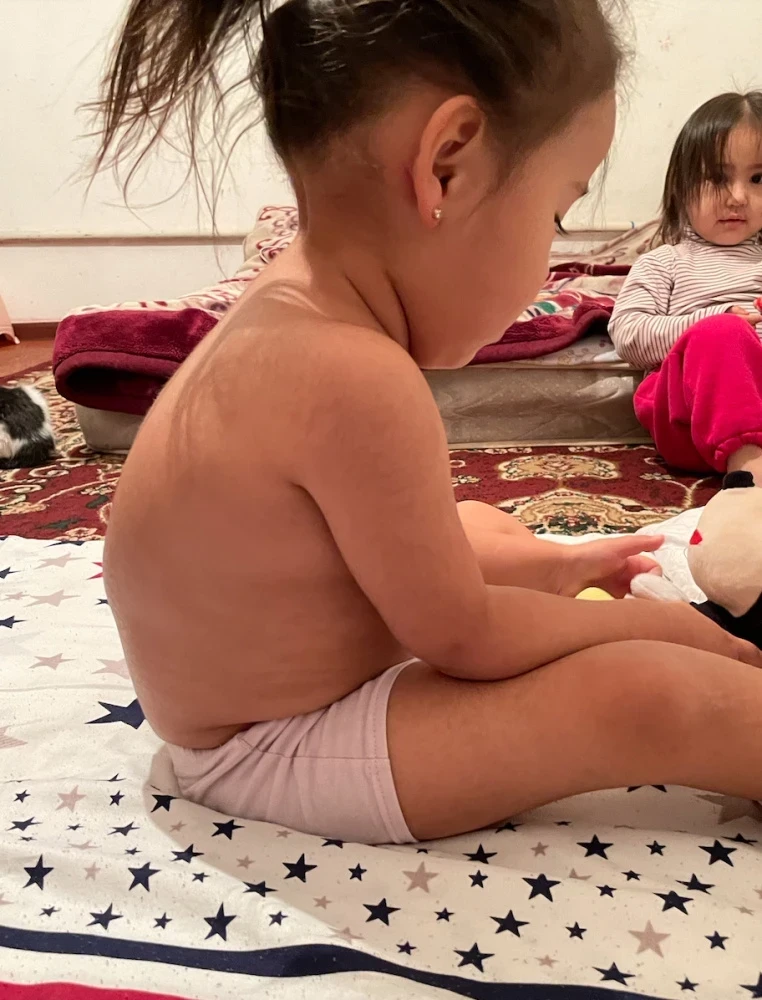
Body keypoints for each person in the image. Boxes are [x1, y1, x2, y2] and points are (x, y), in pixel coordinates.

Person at [99, 0, 762, 846]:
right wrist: (642, 624)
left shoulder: (290, 312)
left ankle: (562, 579)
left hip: (254, 693)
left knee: (479, 526)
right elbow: (465, 637)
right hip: (267, 746)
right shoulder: (353, 374)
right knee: (640, 692)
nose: (550, 256)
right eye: (556, 215)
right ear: (446, 168)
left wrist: (561, 566)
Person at [610, 92, 762, 481]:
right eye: (717, 178)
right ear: (681, 186)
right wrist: (710, 322)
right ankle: (750, 475)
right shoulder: (664, 262)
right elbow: (629, 335)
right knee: (722, 333)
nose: (738, 197)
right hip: (688, 421)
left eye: (758, 179)